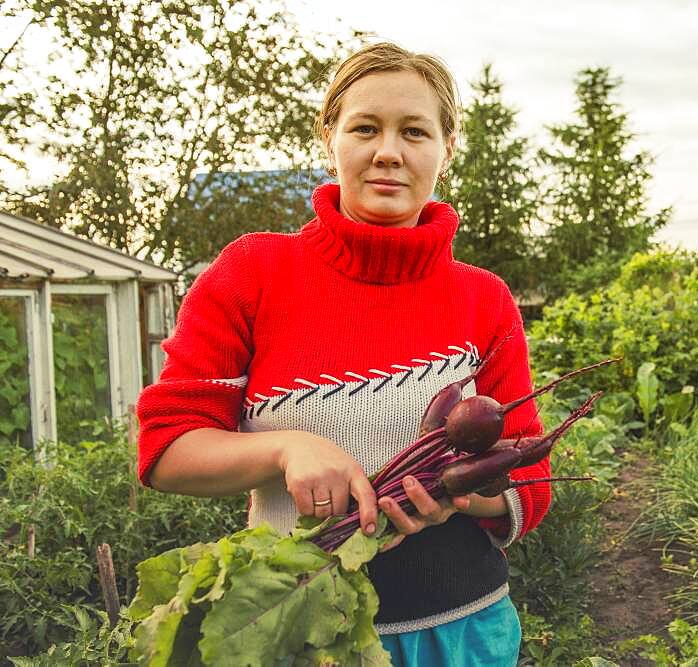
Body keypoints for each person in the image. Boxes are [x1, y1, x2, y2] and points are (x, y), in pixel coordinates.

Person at [136, 42, 550, 666]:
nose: (389, 151)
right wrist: (285, 447)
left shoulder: (483, 299)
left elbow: (529, 477)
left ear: (446, 148)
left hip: (463, 635)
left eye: (414, 130)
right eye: (365, 127)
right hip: (296, 636)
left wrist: (457, 494)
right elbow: (167, 448)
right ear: (330, 137)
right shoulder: (254, 272)